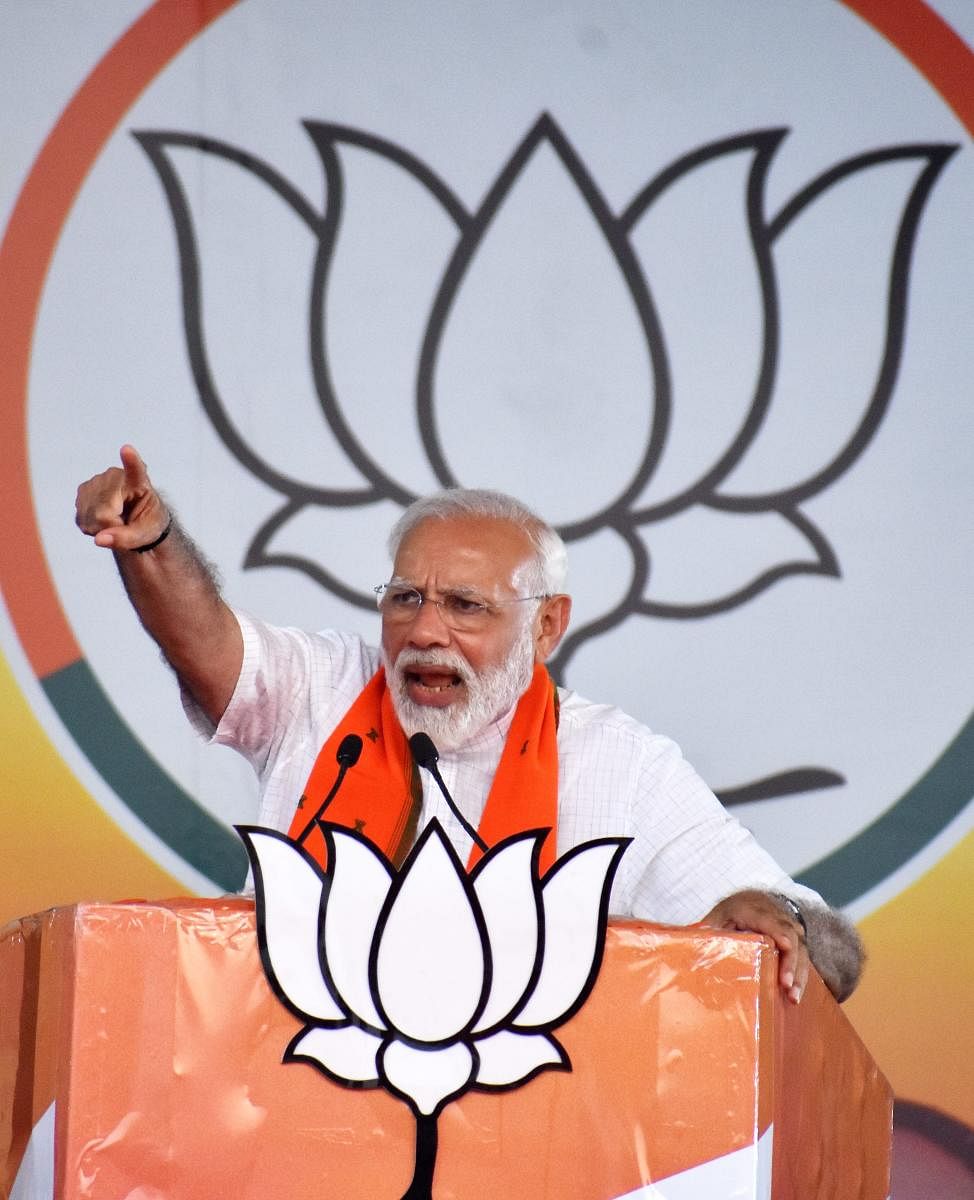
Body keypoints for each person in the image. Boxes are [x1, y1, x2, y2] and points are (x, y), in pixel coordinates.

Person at [76, 445, 863, 1005]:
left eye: (465, 607)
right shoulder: (325, 690)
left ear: (547, 628)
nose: (423, 632)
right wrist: (151, 544)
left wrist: (783, 923)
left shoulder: (618, 765)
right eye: (405, 598)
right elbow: (205, 643)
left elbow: (834, 955)